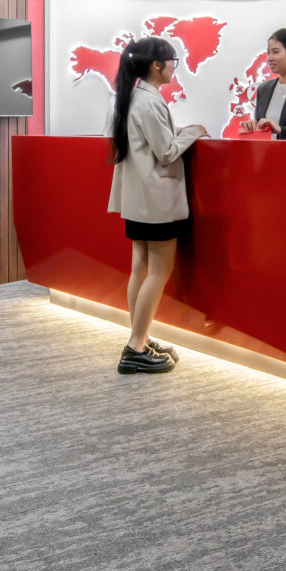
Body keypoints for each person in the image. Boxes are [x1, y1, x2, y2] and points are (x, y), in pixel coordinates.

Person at [106, 36, 208, 375]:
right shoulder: (148, 102)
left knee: (140, 268)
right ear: (156, 65)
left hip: (139, 201)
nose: (174, 68)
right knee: (159, 272)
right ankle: (135, 347)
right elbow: (166, 152)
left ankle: (139, 336)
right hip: (156, 201)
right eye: (172, 61)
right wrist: (193, 132)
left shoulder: (134, 97)